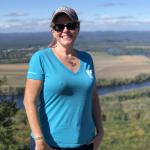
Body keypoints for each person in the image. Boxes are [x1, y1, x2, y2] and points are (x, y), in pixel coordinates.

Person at [23, 6, 104, 150]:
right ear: (53, 31)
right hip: (50, 144)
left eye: (70, 25)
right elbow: (29, 101)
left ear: (77, 28)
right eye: (59, 26)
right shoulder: (41, 58)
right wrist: (39, 140)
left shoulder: (87, 59)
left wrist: (100, 133)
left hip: (85, 143)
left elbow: (93, 97)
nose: (65, 30)